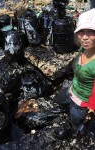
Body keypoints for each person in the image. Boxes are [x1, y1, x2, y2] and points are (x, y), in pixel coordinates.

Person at [54, 8, 95, 139]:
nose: (85, 37)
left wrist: (87, 121)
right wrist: (65, 71)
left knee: (76, 125)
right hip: (72, 89)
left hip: (82, 104)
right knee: (57, 101)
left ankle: (75, 134)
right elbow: (77, 59)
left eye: (91, 32)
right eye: (81, 31)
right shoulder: (84, 48)